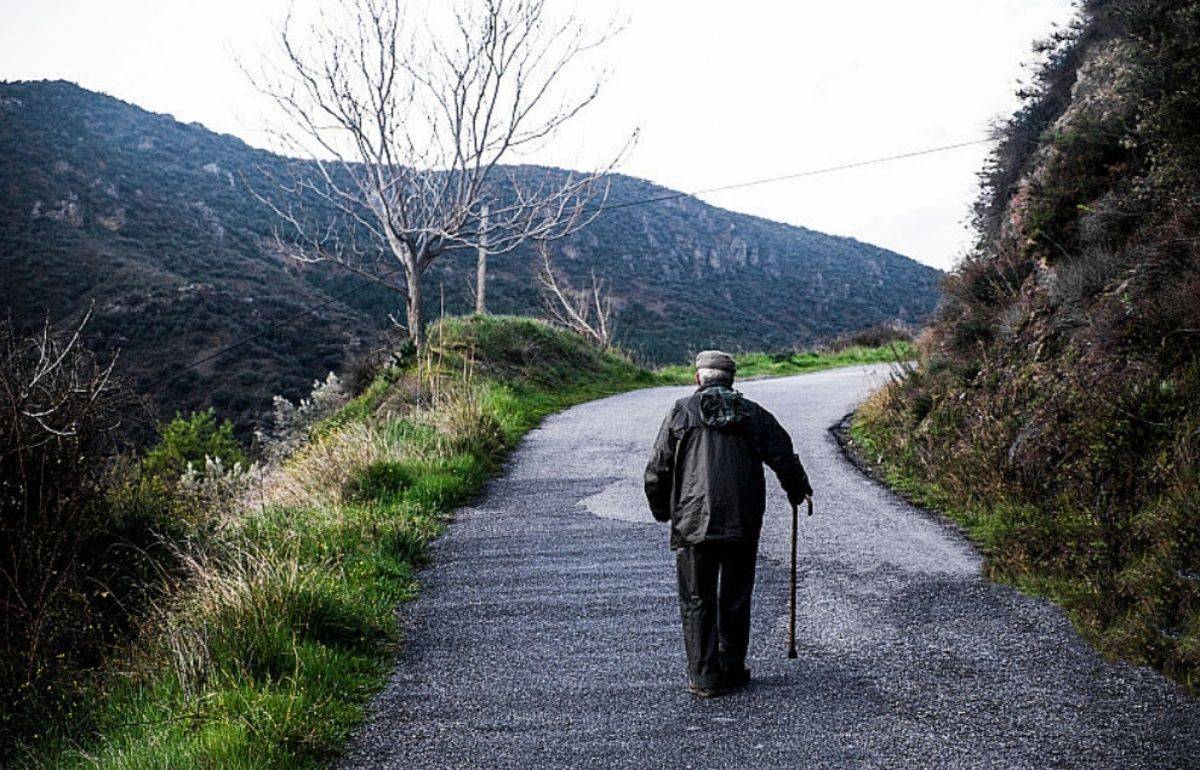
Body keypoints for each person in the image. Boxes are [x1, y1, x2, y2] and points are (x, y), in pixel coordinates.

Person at [644, 350, 812, 697]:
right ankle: (732, 667)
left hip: (692, 522)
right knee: (735, 596)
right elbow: (782, 454)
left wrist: (663, 510)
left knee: (696, 598)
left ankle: (704, 677)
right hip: (742, 519)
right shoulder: (753, 414)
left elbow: (657, 468)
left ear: (698, 379)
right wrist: (798, 490)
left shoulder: (681, 412)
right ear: (732, 380)